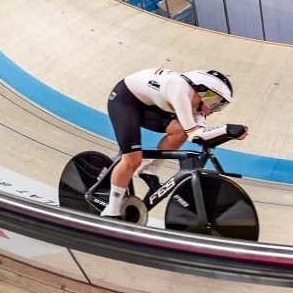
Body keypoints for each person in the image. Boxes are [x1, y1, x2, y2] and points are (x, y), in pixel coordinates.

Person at [100, 69, 245, 218]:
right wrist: (226, 129)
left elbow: (202, 136)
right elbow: (195, 134)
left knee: (181, 130)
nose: (215, 110)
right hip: (125, 101)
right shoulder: (179, 88)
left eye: (220, 106)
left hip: (149, 105)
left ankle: (150, 170)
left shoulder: (196, 105)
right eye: (215, 103)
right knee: (132, 160)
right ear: (202, 90)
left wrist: (228, 133)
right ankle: (112, 211)